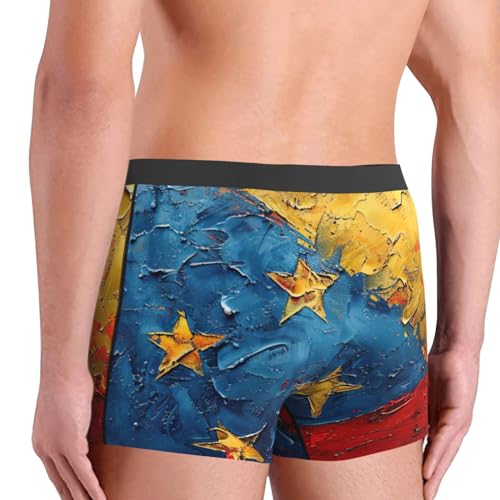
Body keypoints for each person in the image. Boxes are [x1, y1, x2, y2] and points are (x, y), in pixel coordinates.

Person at [29, 1, 499, 499]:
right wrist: (461, 345)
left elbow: (81, 90)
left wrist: (61, 369)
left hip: (192, 245)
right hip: (370, 253)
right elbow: (478, 95)